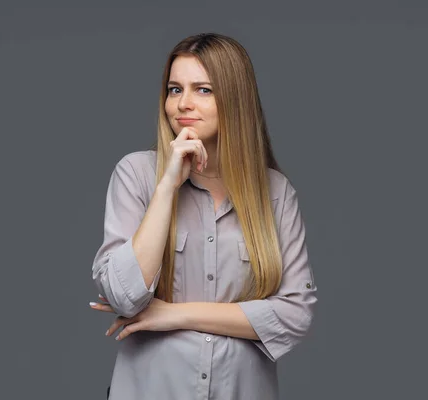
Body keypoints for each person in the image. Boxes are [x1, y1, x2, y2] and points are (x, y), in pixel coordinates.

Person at [89, 32, 317, 400]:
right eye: (175, 89)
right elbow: (124, 297)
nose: (183, 103)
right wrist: (167, 187)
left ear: (235, 99)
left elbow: (294, 316)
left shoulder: (276, 193)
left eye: (203, 90)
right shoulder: (137, 175)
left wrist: (174, 315)